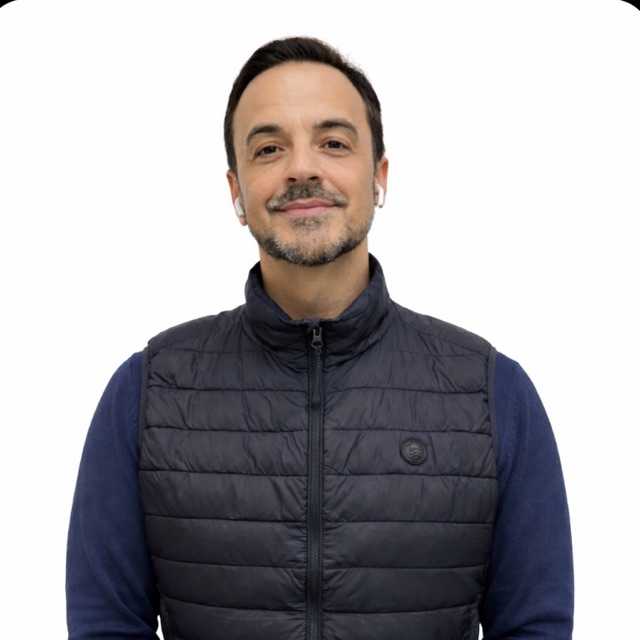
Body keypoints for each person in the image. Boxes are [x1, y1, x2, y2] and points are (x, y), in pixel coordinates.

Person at [65, 36, 574, 640]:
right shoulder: (146, 392)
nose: (302, 169)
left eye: (333, 143)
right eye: (269, 148)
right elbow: (106, 625)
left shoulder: (492, 393)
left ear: (378, 175)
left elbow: (535, 627)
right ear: (236, 191)